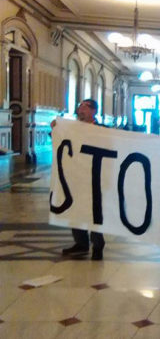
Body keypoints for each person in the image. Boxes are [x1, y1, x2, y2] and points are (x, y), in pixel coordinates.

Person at [54, 99, 106, 261]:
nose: (80, 109)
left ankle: (98, 245)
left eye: (84, 107)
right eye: (79, 107)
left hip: (96, 177)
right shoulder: (72, 128)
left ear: (93, 111)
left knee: (95, 212)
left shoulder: (103, 130)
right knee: (75, 209)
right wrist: (55, 128)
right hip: (75, 176)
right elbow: (58, 140)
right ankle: (81, 243)